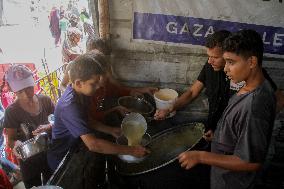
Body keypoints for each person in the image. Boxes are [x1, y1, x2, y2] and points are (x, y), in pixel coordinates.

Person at [178, 29, 276, 189]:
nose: (225, 69)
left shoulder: (255, 105)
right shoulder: (247, 87)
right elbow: (238, 126)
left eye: (231, 62)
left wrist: (201, 156)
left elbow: (250, 162)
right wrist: (220, 136)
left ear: (251, 62)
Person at [47, 53, 149, 188]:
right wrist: (131, 150)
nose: (97, 87)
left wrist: (110, 130)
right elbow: (94, 144)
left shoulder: (83, 93)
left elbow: (86, 120)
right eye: (93, 84)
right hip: (63, 159)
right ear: (78, 83)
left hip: (77, 148)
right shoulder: (70, 106)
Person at [3, 64, 54, 188]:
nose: (26, 95)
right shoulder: (12, 111)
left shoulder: (45, 101)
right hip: (28, 161)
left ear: (33, 83)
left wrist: (50, 126)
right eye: (20, 91)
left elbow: (59, 120)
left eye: (29, 88)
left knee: (53, 181)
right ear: (13, 91)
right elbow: (11, 139)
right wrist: (15, 145)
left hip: (50, 154)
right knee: (32, 185)